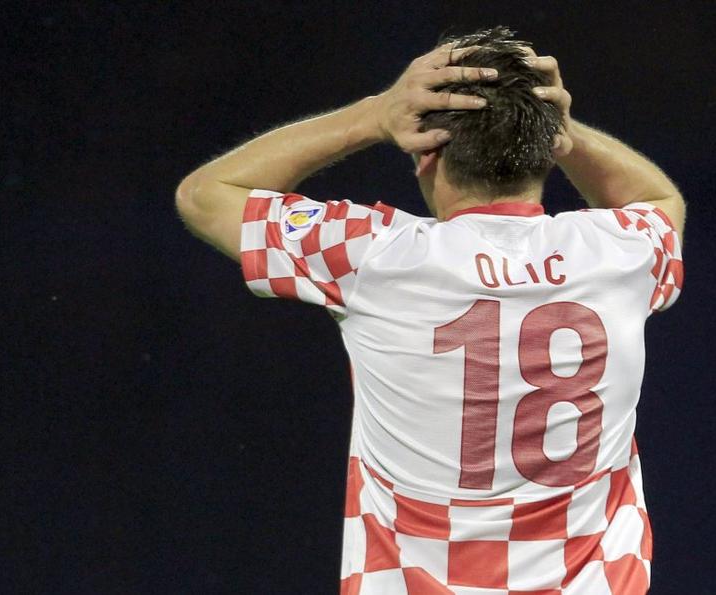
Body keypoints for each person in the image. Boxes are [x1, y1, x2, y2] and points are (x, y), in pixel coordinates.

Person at [176, 26, 684, 595]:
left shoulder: (373, 255)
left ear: (424, 154)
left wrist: (374, 115)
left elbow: (205, 195)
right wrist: (562, 131)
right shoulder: (621, 251)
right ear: (546, 151)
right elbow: (658, 199)